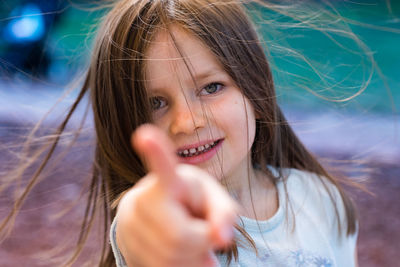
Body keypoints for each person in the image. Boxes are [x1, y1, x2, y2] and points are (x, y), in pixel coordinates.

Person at [1, 0, 359, 266]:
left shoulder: (323, 199)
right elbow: (140, 223)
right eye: (155, 102)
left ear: (256, 88)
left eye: (212, 88)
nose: (187, 122)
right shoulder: (151, 221)